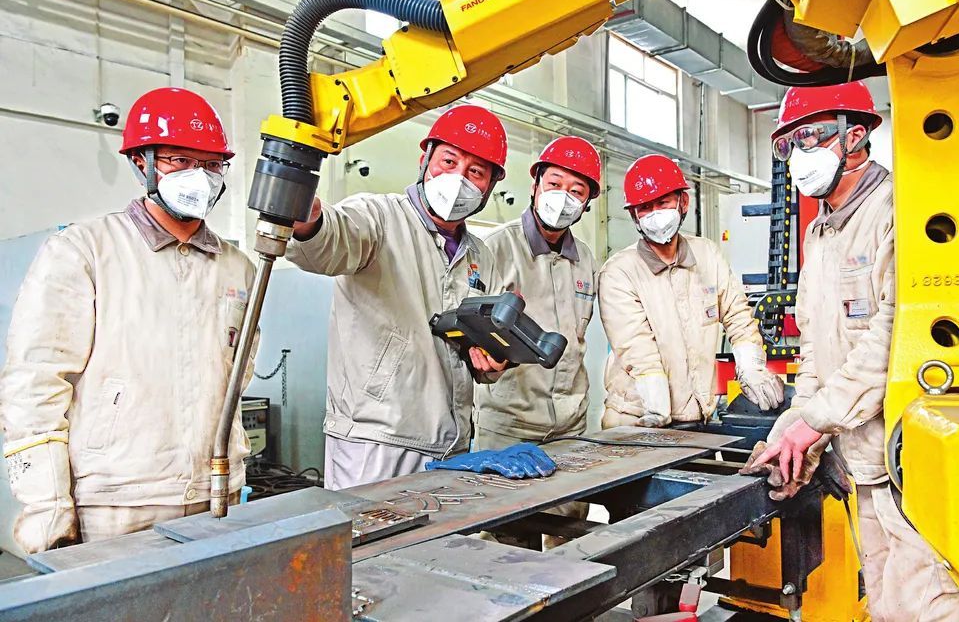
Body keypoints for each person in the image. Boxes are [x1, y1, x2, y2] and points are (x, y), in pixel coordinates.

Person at [0, 87, 256, 553]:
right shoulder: (84, 251)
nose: (198, 177)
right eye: (180, 160)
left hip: (218, 492)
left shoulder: (238, 268)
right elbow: (34, 387)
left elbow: (238, 377)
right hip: (116, 502)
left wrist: (231, 474)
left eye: (211, 164)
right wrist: (48, 512)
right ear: (142, 162)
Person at [747, 81, 959, 620]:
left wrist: (814, 422)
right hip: (861, 464)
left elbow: (893, 335)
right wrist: (796, 429)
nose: (800, 155)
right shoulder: (819, 232)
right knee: (886, 602)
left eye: (811, 137)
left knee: (929, 604)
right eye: (789, 144)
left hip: (906, 459)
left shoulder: (901, 211)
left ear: (855, 135)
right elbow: (815, 347)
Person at [288, 104, 552, 490]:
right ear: (425, 159)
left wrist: (494, 362)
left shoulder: (480, 254)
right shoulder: (378, 217)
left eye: (475, 172)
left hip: (451, 441)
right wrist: (307, 221)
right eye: (449, 161)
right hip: (377, 440)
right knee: (370, 531)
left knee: (443, 532)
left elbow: (475, 356)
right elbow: (329, 241)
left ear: (490, 187)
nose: (458, 178)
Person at [473, 136, 601, 548]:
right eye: (555, 184)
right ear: (535, 185)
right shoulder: (495, 248)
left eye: (577, 191)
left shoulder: (585, 259)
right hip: (509, 425)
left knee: (570, 541)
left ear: (587, 203)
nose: (563, 198)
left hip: (570, 426)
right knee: (507, 542)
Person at [599, 154, 783, 429]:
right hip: (637, 419)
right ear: (634, 215)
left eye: (663, 203)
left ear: (683, 202)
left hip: (698, 418)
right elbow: (636, 347)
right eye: (645, 208)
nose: (655, 215)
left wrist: (751, 367)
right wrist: (656, 405)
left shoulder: (707, 254)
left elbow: (737, 315)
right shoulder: (619, 271)